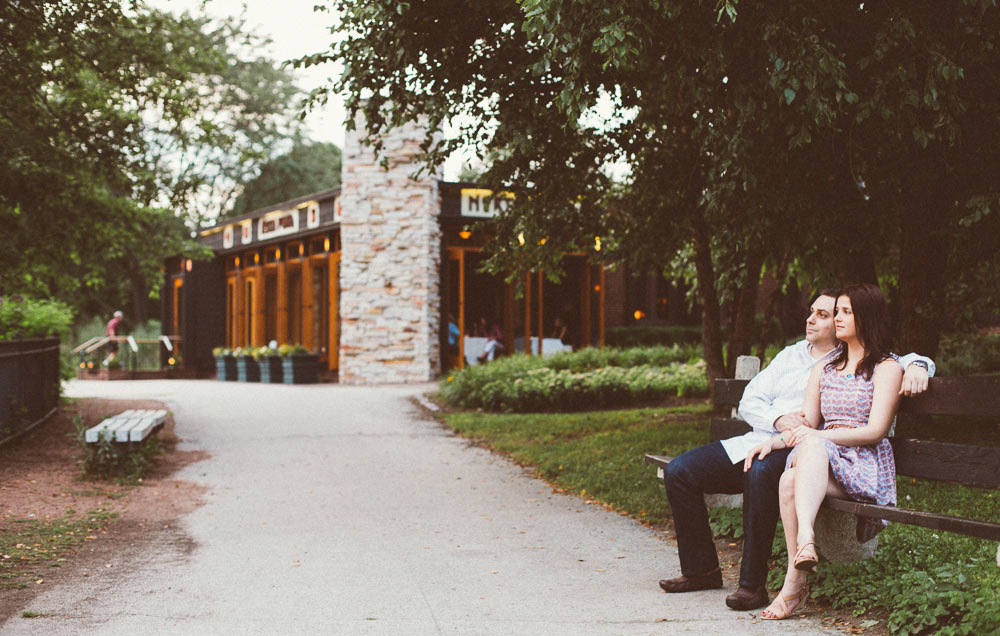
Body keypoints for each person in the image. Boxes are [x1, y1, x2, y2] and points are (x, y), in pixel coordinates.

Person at [658, 288, 934, 611]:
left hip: (814, 450)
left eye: (825, 314)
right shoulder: (796, 357)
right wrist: (777, 424)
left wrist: (919, 366)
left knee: (765, 472)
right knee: (679, 471)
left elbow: (902, 364)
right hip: (773, 441)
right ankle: (704, 569)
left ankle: (754, 584)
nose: (811, 319)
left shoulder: (869, 361)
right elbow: (753, 400)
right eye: (814, 312)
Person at [745, 283, 903, 620]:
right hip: (823, 462)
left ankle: (801, 554)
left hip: (863, 463)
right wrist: (774, 440)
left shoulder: (886, 367)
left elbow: (875, 430)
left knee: (812, 447)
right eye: (839, 311)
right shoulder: (825, 369)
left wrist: (820, 439)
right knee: (788, 481)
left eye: (847, 312)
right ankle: (798, 572)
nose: (839, 318)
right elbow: (807, 422)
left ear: (868, 317)